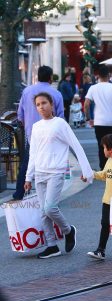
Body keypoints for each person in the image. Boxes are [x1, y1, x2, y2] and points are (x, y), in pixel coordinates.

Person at [24, 92, 93, 259]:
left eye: (44, 103)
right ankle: (52, 245)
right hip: (40, 172)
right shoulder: (36, 127)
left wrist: (86, 171)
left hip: (56, 172)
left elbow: (76, 146)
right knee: (43, 212)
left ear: (52, 105)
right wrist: (28, 177)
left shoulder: (60, 124)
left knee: (50, 208)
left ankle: (68, 230)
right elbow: (33, 153)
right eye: (38, 104)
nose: (41, 107)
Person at [13, 65, 64, 200]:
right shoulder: (56, 94)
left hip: (32, 134)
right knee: (50, 165)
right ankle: (49, 195)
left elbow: (20, 116)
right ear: (50, 78)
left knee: (28, 163)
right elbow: (60, 118)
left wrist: (28, 127)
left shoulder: (27, 91)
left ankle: (19, 193)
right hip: (51, 135)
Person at [84, 65, 112, 170]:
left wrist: (88, 118)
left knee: (101, 146)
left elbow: (86, 104)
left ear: (98, 76)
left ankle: (103, 168)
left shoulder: (93, 88)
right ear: (109, 75)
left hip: (99, 122)